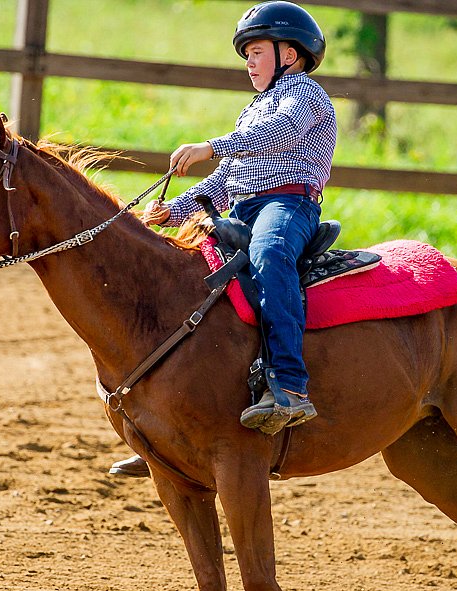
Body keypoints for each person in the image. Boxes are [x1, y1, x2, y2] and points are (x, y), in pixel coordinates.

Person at [110, 1, 336, 478]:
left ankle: (290, 385)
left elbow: (276, 136)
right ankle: (173, 424)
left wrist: (210, 146)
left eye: (256, 52)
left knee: (270, 253)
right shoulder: (252, 109)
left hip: (288, 205)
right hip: (243, 205)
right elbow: (226, 179)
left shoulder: (305, 97)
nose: (248, 63)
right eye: (246, 54)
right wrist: (175, 209)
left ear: (289, 55)